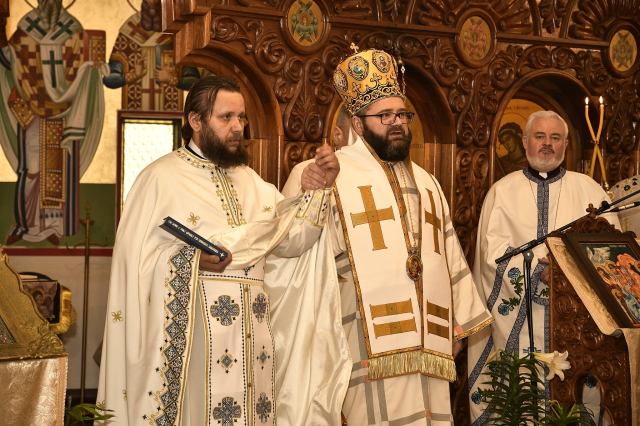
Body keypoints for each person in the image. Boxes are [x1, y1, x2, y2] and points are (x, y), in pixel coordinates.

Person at [97, 75, 339, 425]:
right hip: (197, 348)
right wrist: (193, 260)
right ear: (196, 121)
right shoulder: (159, 178)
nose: (238, 127)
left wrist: (319, 191)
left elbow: (292, 241)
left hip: (254, 347)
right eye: (226, 117)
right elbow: (135, 266)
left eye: (241, 117)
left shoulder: (252, 182)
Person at [280, 46, 493, 425]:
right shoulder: (324, 172)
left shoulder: (427, 182)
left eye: (402, 114)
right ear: (358, 124)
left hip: (429, 340)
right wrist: (311, 193)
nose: (397, 123)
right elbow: (292, 246)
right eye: (384, 116)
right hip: (359, 336)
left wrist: (458, 326)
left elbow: (448, 255)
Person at [467, 110, 620, 424]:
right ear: (525, 142)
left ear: (566, 145)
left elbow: (612, 254)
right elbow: (491, 256)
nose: (547, 144)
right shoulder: (502, 192)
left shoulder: (590, 190)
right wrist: (538, 270)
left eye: (555, 137)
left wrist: (566, 271)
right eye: (539, 136)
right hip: (521, 320)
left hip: (577, 321)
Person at [0, 0, 106, 244]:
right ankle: (26, 224)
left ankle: (51, 227)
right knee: (31, 170)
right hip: (33, 109)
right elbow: (11, 59)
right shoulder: (27, 26)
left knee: (56, 170)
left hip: (62, 113)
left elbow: (83, 65)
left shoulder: (73, 29)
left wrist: (92, 69)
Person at [281, 104, 353, 196]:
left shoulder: (371, 170)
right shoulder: (304, 172)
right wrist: (309, 189)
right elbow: (289, 206)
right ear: (337, 135)